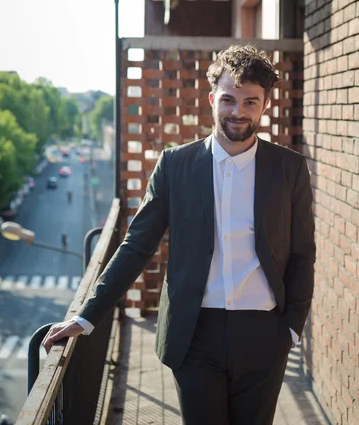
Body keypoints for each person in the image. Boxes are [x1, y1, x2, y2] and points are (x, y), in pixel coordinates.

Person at [43, 45, 316, 425]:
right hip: (194, 334)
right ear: (211, 99)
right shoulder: (175, 165)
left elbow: (303, 253)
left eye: (250, 102)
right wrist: (87, 315)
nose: (238, 111)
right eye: (229, 100)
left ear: (265, 104)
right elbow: (137, 244)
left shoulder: (289, 169)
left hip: (264, 335)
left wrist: (291, 328)